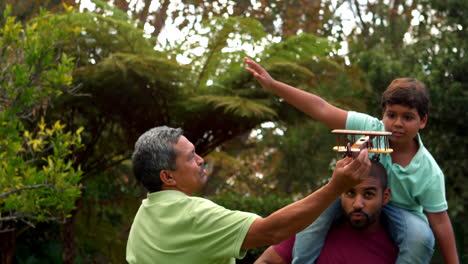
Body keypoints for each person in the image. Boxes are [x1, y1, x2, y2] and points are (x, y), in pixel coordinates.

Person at [244, 57, 459, 264]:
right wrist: (273, 85)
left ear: (422, 121)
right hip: (352, 193)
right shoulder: (369, 129)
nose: (397, 123)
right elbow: (321, 108)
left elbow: (440, 222)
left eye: (408, 117)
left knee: (421, 238)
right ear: (382, 115)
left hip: (401, 212)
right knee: (312, 214)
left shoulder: (428, 171)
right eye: (391, 115)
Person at [126, 126, 371, 264]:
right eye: (191, 157)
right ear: (167, 177)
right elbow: (271, 231)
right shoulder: (193, 215)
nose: (201, 160)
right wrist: (335, 187)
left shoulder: (144, 216)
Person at [254, 160, 398, 264]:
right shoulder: (312, 232)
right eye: (350, 193)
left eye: (368, 195)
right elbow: (266, 261)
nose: (357, 204)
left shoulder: (398, 248)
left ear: (385, 196)